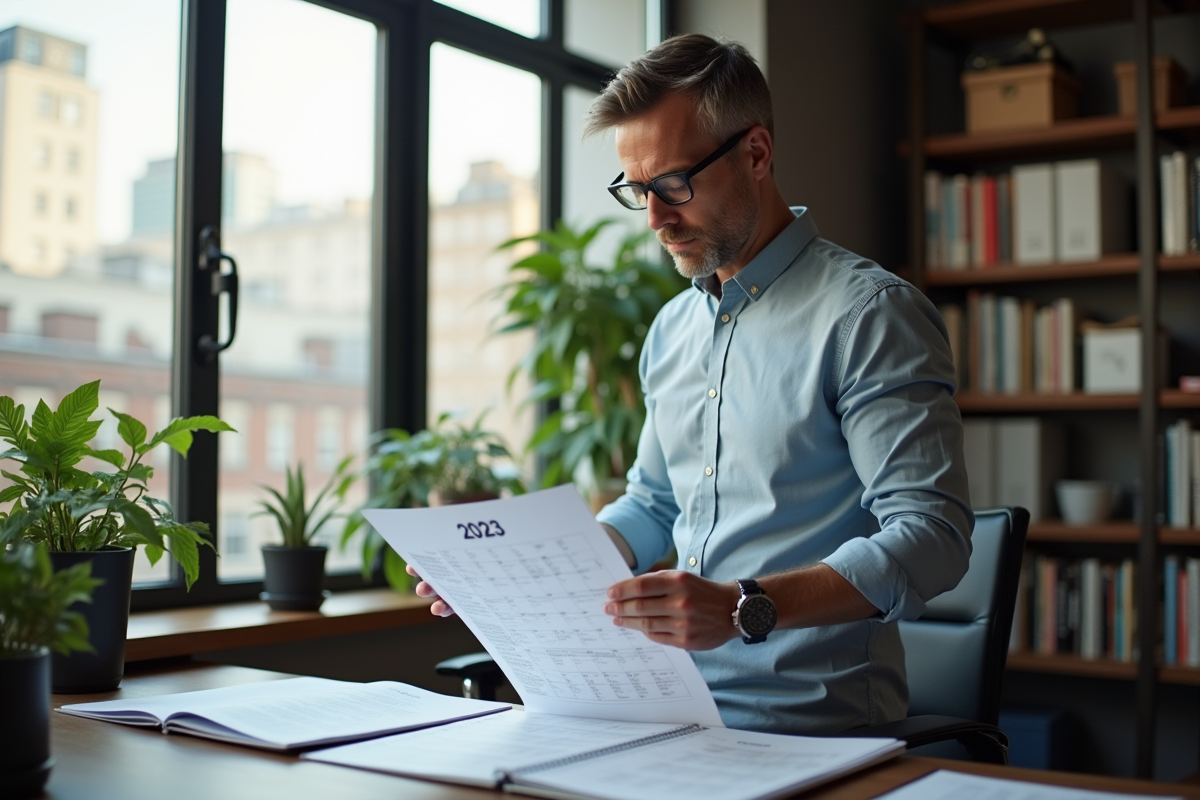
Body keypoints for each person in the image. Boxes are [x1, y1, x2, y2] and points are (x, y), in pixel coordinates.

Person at [412, 33, 973, 735]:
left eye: (674, 184)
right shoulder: (673, 330)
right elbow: (651, 506)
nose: (653, 218)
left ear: (757, 154)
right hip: (661, 709)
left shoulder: (869, 316)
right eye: (637, 190)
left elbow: (933, 535)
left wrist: (744, 606)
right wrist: (522, 580)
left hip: (807, 730)